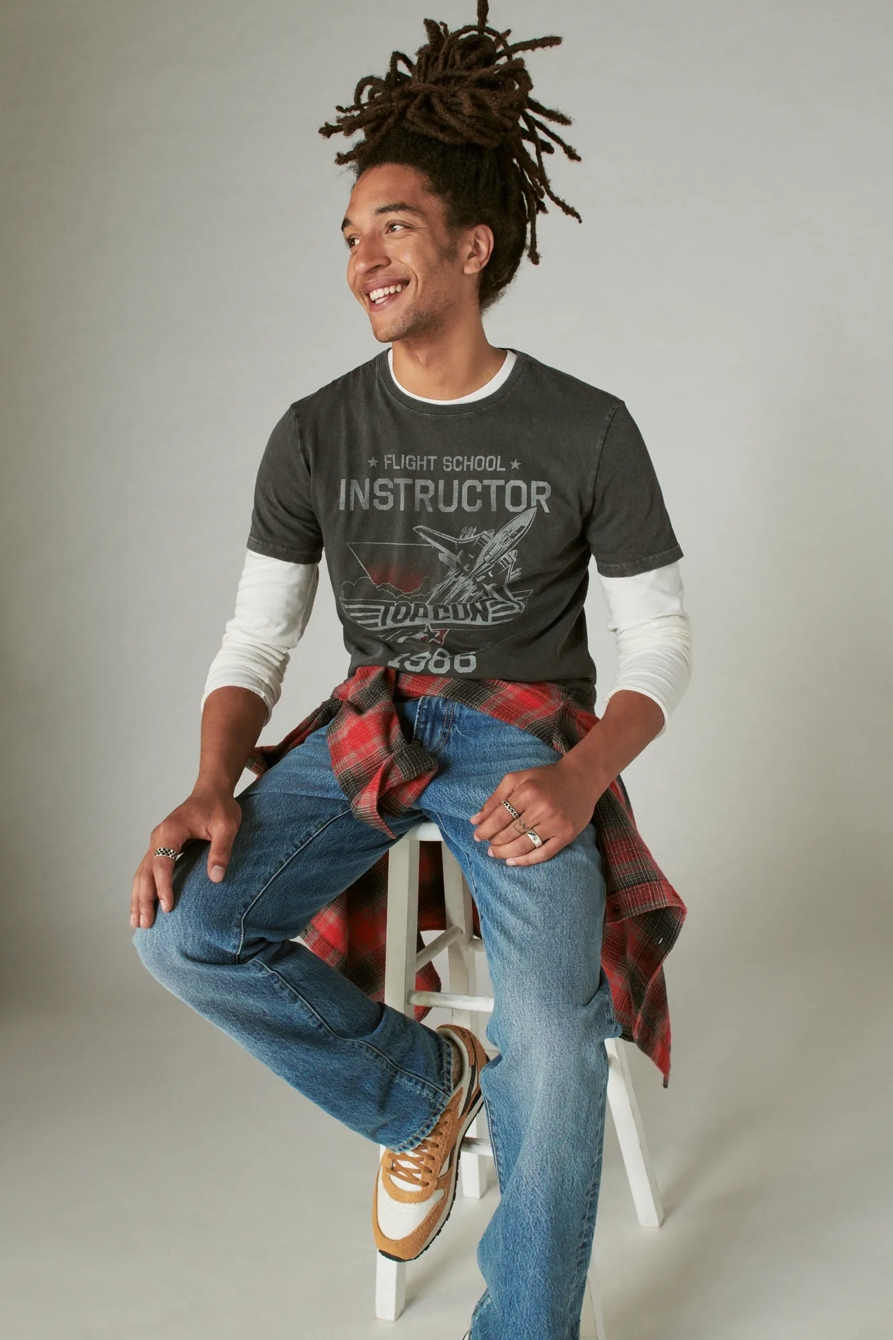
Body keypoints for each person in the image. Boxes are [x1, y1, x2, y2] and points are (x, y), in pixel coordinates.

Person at [131, 5, 692, 1337]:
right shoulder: (315, 430)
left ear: (471, 245)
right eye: (348, 236)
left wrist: (581, 775)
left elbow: (658, 643)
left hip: (524, 743)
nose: (361, 261)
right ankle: (428, 1092)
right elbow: (257, 640)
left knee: (553, 1037)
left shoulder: (586, 427)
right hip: (373, 726)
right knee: (180, 930)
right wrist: (210, 782)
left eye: (390, 228)